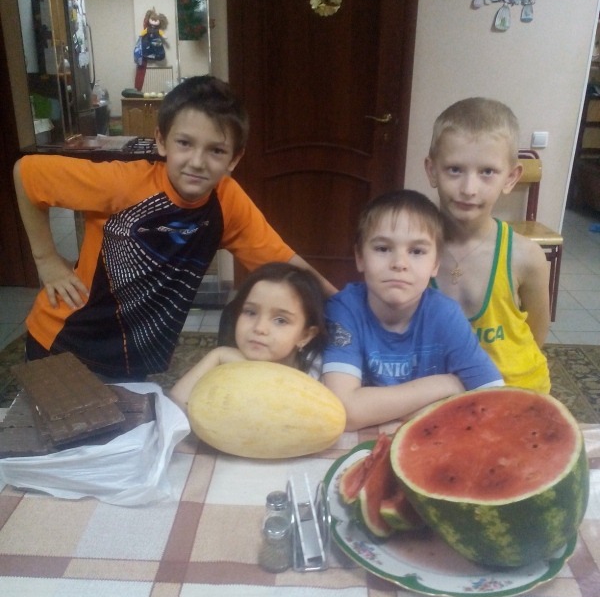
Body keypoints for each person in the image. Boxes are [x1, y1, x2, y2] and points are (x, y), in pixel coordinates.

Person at [14, 75, 336, 381]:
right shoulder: (123, 183)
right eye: (185, 143)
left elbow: (290, 268)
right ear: (162, 141)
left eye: (216, 150)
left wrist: (350, 308)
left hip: (132, 359)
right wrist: (46, 260)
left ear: (234, 159)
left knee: (130, 422)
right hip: (65, 342)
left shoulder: (227, 202)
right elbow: (26, 174)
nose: (197, 161)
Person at [321, 189, 503, 431]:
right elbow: (344, 411)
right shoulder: (344, 309)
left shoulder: (446, 315)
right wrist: (446, 384)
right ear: (360, 257)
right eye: (383, 249)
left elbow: (496, 400)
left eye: (417, 251)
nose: (399, 263)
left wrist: (376, 407)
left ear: (435, 264)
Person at [424, 97, 551, 393]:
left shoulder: (526, 256)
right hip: (439, 391)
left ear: (511, 178)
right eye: (454, 169)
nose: (469, 189)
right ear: (432, 171)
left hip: (514, 391)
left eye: (487, 172)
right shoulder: (411, 252)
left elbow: (537, 335)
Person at [169, 261, 327, 410]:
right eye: (250, 312)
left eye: (280, 320)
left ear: (305, 336)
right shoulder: (225, 366)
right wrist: (217, 355)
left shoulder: (319, 379)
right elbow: (175, 405)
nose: (259, 328)